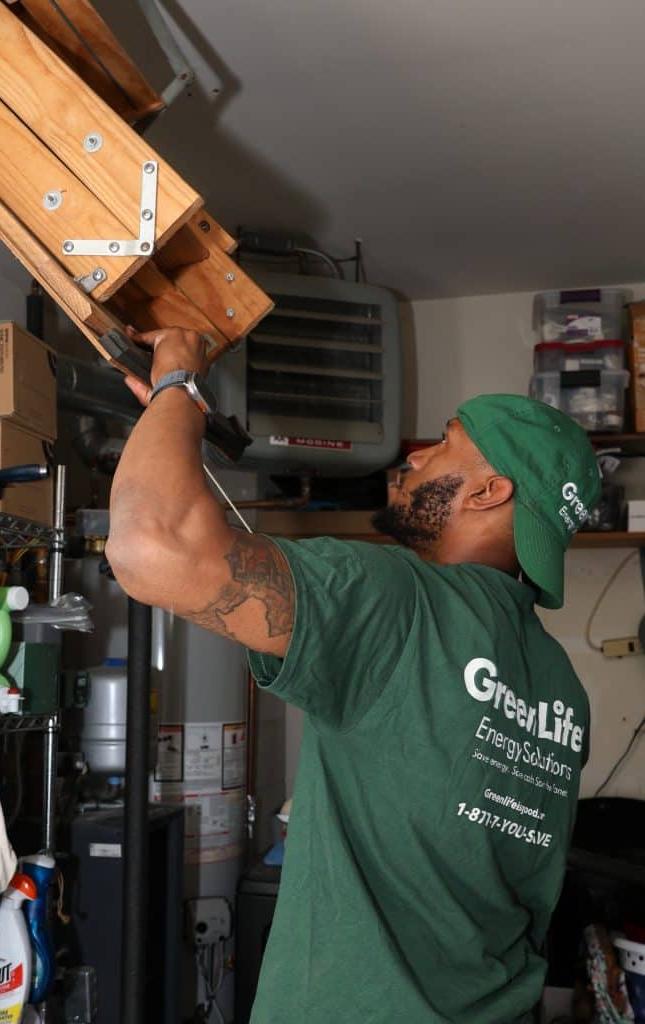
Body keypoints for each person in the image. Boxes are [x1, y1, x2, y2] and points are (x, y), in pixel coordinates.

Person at [107, 326, 601, 1024]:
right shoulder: (560, 687)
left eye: (444, 442)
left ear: (490, 491)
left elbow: (150, 547)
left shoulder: (402, 599)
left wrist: (177, 384)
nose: (415, 456)